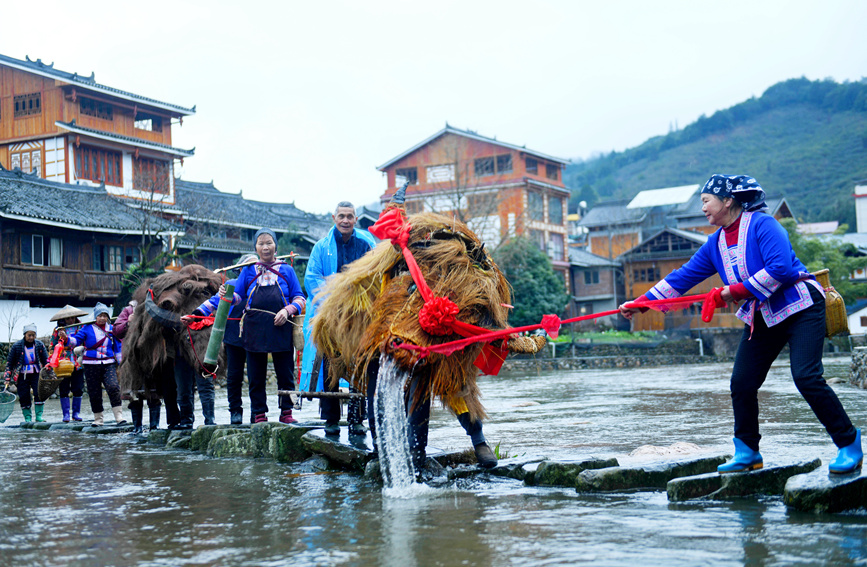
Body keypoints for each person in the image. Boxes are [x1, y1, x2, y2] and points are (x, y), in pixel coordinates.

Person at [620, 174, 863, 475]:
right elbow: (682, 277)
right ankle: (748, 451)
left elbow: (780, 269)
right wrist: (643, 303)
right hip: (764, 313)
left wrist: (729, 292)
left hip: (801, 307)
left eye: (706, 201)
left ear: (728, 201)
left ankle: (848, 442)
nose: (704, 209)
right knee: (742, 383)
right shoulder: (715, 243)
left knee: (806, 377)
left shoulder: (764, 224)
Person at [184, 229, 305, 424]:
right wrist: (223, 294)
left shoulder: (287, 270)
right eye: (261, 244)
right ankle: (259, 413)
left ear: (276, 246)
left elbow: (300, 297)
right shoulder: (249, 270)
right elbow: (237, 297)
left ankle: (287, 412)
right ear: (256, 248)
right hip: (254, 328)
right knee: (256, 375)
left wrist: (288, 310)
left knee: (285, 373)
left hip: (280, 326)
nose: (265, 247)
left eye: (269, 243)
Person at [301, 201, 375, 435]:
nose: (345, 220)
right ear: (334, 218)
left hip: (359, 316)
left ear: (355, 219)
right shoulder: (322, 247)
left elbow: (374, 275)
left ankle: (356, 419)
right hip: (331, 316)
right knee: (330, 364)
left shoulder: (366, 244)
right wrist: (331, 300)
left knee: (358, 365)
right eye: (341, 216)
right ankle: (331, 419)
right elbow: (312, 277)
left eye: (349, 216)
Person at [192, 253, 257, 425]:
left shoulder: (261, 286)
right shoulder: (231, 285)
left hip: (257, 338)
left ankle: (257, 412)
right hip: (233, 337)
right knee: (234, 376)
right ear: (241, 271)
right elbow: (214, 302)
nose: (252, 271)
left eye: (255, 268)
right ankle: (235, 411)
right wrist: (196, 314)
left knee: (255, 376)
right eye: (247, 268)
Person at [60, 303, 127, 427]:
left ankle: (119, 417)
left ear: (108, 317)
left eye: (105, 316)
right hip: (91, 364)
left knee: (113, 387)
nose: (102, 318)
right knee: (94, 391)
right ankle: (98, 419)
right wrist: (66, 338)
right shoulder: (86, 329)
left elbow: (118, 346)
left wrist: (121, 361)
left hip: (108, 363)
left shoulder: (112, 329)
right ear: (95, 317)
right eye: (100, 316)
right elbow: (75, 341)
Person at [115, 299, 163, 434]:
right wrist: (128, 322)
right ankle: (137, 427)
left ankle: (154, 427)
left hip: (151, 357)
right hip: (131, 359)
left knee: (153, 393)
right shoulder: (127, 310)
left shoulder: (155, 308)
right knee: (134, 395)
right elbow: (117, 330)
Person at [49, 305, 89, 422]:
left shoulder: (82, 327)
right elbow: (52, 346)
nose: (70, 320)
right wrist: (53, 360)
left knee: (78, 388)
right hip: (63, 363)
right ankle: (66, 414)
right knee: (64, 388)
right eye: (68, 319)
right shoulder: (58, 330)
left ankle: (76, 414)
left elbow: (86, 342)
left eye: (72, 318)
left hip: (78, 362)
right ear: (63, 320)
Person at [4, 324, 48, 423]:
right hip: (21, 374)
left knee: (39, 393)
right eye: (29, 335)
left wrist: (49, 370)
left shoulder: (39, 345)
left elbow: (46, 360)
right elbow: (10, 363)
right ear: (25, 335)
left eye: (33, 335)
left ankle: (39, 416)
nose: (31, 337)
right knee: (24, 395)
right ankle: (27, 418)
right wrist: (7, 377)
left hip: (36, 373)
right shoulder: (17, 346)